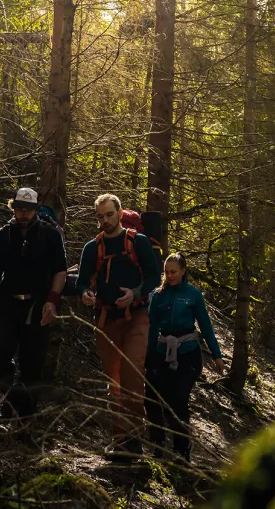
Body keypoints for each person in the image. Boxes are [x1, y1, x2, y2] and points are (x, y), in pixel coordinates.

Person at [78, 193, 162, 460]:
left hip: (136, 317)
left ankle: (135, 440)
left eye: (109, 214)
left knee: (132, 374)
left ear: (120, 212)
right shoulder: (92, 247)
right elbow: (80, 281)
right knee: (113, 381)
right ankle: (119, 440)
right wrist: (84, 294)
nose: (105, 220)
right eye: (100, 216)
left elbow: (154, 276)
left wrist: (135, 293)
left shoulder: (138, 243)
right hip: (105, 320)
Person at [0, 187, 67, 421]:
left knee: (32, 367)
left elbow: (60, 271)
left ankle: (23, 420)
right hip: (7, 305)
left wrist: (52, 301)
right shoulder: (0, 236)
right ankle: (11, 402)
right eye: (19, 209)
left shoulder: (50, 236)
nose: (23, 214)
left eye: (28, 209)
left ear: (36, 210)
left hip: (37, 307)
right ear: (13, 208)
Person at [145, 252, 223, 462]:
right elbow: (152, 328)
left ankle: (182, 449)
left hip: (188, 354)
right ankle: (158, 445)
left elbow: (205, 326)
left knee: (178, 400)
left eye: (174, 272)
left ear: (183, 271)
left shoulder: (193, 295)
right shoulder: (157, 295)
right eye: (166, 272)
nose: (170, 276)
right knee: (153, 399)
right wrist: (149, 356)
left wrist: (217, 355)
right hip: (161, 352)